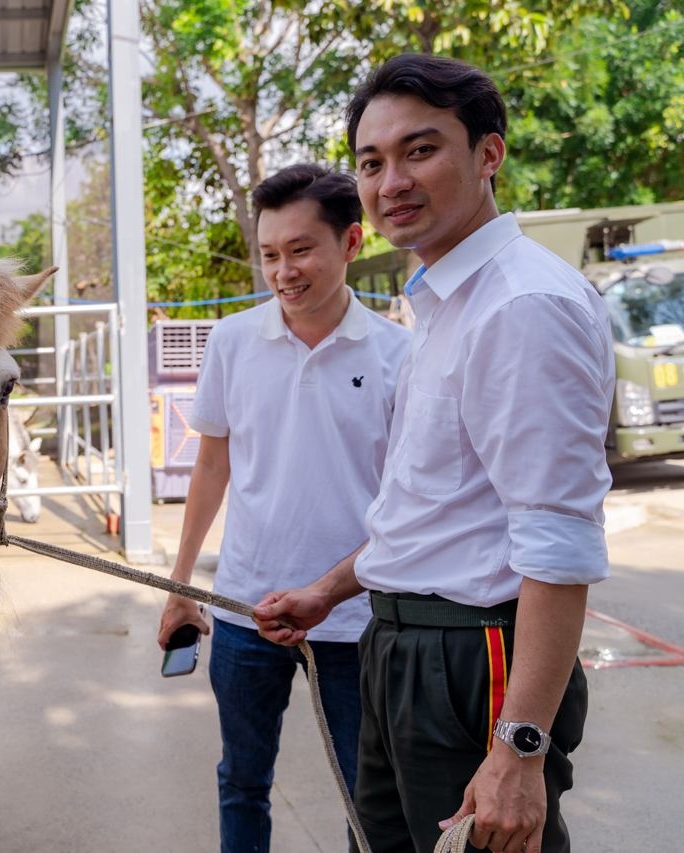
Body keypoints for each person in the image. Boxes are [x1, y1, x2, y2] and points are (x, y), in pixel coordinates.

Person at [254, 54, 615, 853]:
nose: (392, 183)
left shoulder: (522, 306)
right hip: (401, 649)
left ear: (489, 154)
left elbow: (558, 542)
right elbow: (432, 510)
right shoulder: (446, 302)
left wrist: (520, 745)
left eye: (420, 150)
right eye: (371, 162)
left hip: (473, 658)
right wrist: (326, 592)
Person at [158, 163, 411, 853]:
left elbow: (408, 501)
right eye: (270, 254)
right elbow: (212, 465)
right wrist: (183, 585)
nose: (283, 271)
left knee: (370, 796)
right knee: (241, 781)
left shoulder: (400, 354)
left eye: (301, 250)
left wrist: (335, 591)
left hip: (358, 619)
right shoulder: (232, 341)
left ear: (351, 241)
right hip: (247, 608)